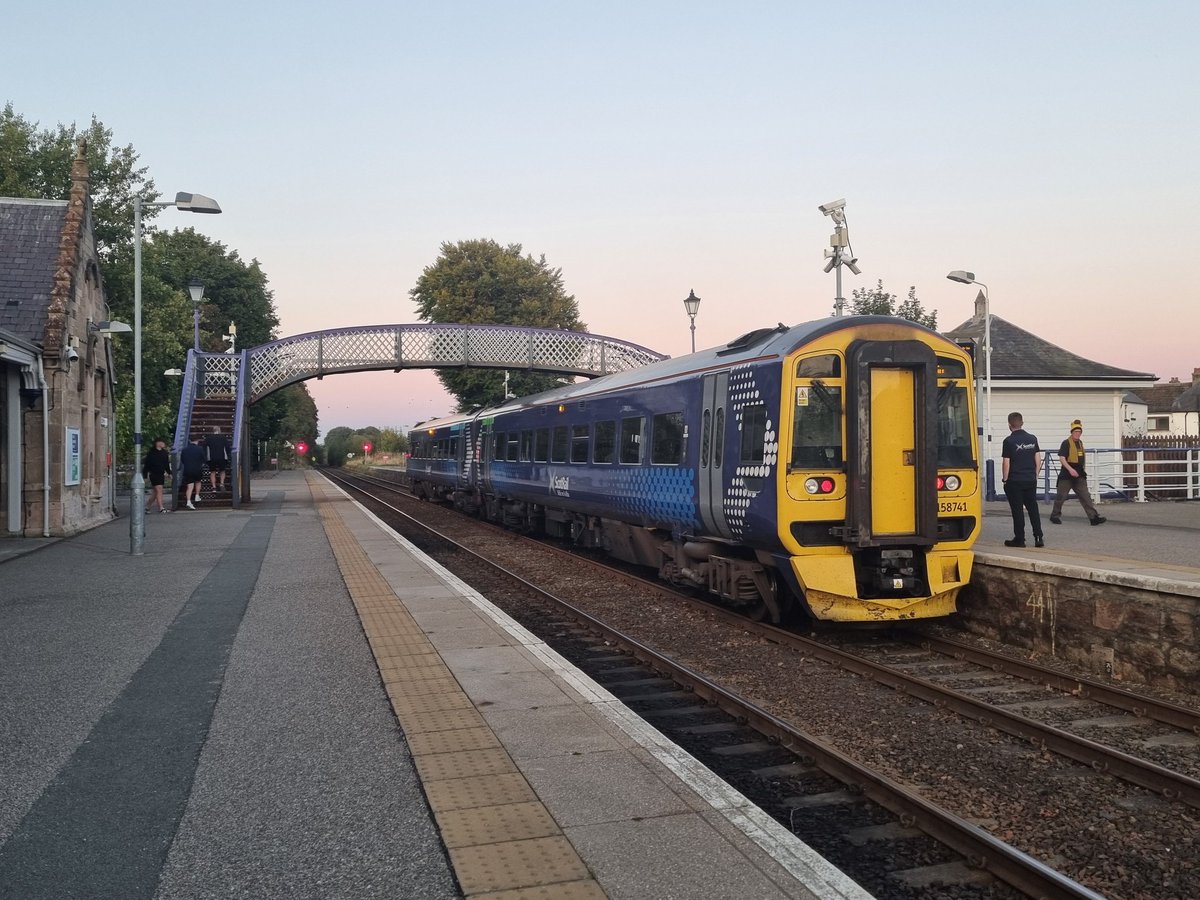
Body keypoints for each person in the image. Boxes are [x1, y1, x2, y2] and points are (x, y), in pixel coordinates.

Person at [1049, 419, 1106, 526]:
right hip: (1067, 474)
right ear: (1072, 432)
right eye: (1076, 432)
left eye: (1079, 432)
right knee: (1061, 496)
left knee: (1085, 496)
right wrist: (1070, 469)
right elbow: (1062, 458)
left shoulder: (1080, 443)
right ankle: (1054, 515)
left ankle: (1093, 517)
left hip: (1079, 474)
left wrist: (1080, 471)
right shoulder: (1066, 443)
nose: (1078, 434)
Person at [1001, 412, 1044, 548]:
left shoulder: (1008, 441)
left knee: (1017, 510)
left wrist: (1005, 480)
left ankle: (1020, 539)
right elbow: (1038, 458)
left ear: (1009, 424)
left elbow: (1006, 463)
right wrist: (1035, 475)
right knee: (1033, 508)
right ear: (1022, 423)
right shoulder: (1032, 439)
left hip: (1015, 480)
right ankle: (1038, 537)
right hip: (1030, 479)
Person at [142, 438, 172, 514]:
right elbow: (147, 465)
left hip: (161, 474)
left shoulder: (164, 453)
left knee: (155, 493)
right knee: (159, 490)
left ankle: (147, 507)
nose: (164, 444)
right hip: (154, 474)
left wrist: (169, 473)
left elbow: (166, 464)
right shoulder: (151, 453)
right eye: (163, 442)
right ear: (158, 443)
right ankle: (161, 508)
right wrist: (145, 475)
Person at [180, 435, 206, 509]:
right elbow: (204, 459)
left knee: (190, 486)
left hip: (188, 469)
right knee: (198, 482)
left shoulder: (184, 450)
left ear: (189, 441)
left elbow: (182, 460)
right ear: (197, 441)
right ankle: (197, 496)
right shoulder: (200, 449)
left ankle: (188, 501)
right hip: (197, 469)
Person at [205, 425, 230, 493]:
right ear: (219, 430)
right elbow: (227, 448)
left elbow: (204, 448)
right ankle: (222, 483)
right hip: (222, 457)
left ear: (213, 431)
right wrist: (228, 456)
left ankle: (214, 487)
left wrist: (205, 458)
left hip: (211, 458)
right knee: (222, 471)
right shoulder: (223, 438)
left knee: (212, 472)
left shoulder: (208, 438)